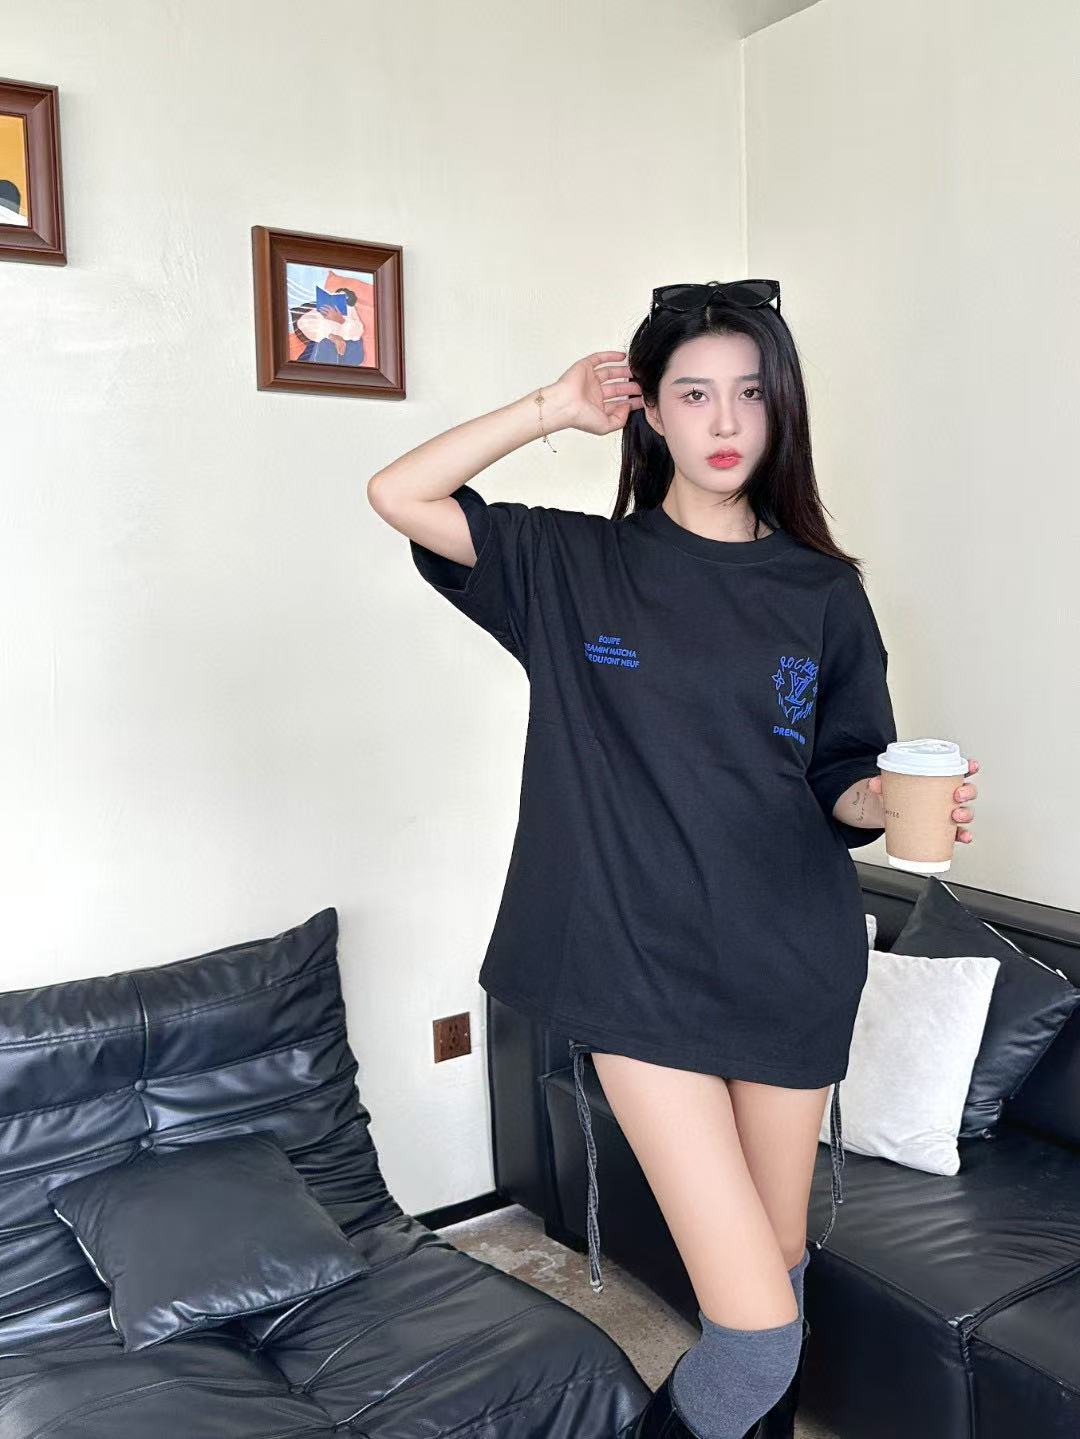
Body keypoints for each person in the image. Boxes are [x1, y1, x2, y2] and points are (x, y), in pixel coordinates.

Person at [366, 280, 980, 1439]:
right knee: (757, 1337)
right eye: (694, 393)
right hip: (635, 971)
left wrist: (890, 795)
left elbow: (841, 773)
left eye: (750, 392)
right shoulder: (573, 564)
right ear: (650, 410)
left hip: (792, 964)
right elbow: (401, 491)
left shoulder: (824, 590)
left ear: (782, 407)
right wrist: (552, 407)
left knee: (777, 1266)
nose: (726, 419)